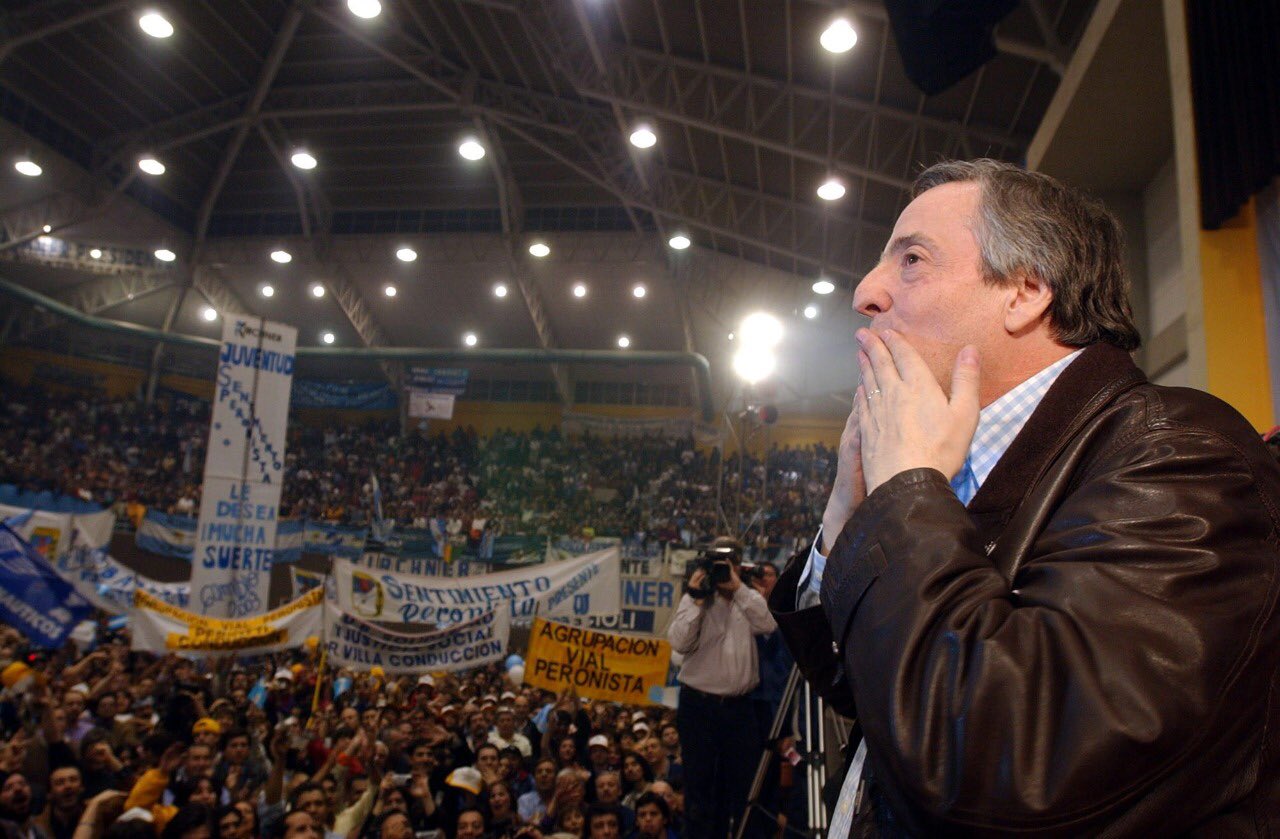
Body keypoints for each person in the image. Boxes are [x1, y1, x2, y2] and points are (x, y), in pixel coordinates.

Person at [769, 158, 1280, 835]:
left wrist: (903, 495)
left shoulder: (1181, 455)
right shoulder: (969, 460)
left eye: (912, 260)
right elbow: (878, 689)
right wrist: (847, 512)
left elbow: (1010, 764)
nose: (866, 291)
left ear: (1025, 292)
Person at [667, 537, 776, 838]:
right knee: (700, 787)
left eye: (730, 562)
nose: (724, 569)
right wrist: (696, 598)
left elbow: (769, 624)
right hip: (698, 707)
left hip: (740, 708)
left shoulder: (747, 598)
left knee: (745, 786)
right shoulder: (696, 597)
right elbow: (679, 642)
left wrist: (739, 589)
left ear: (739, 565)